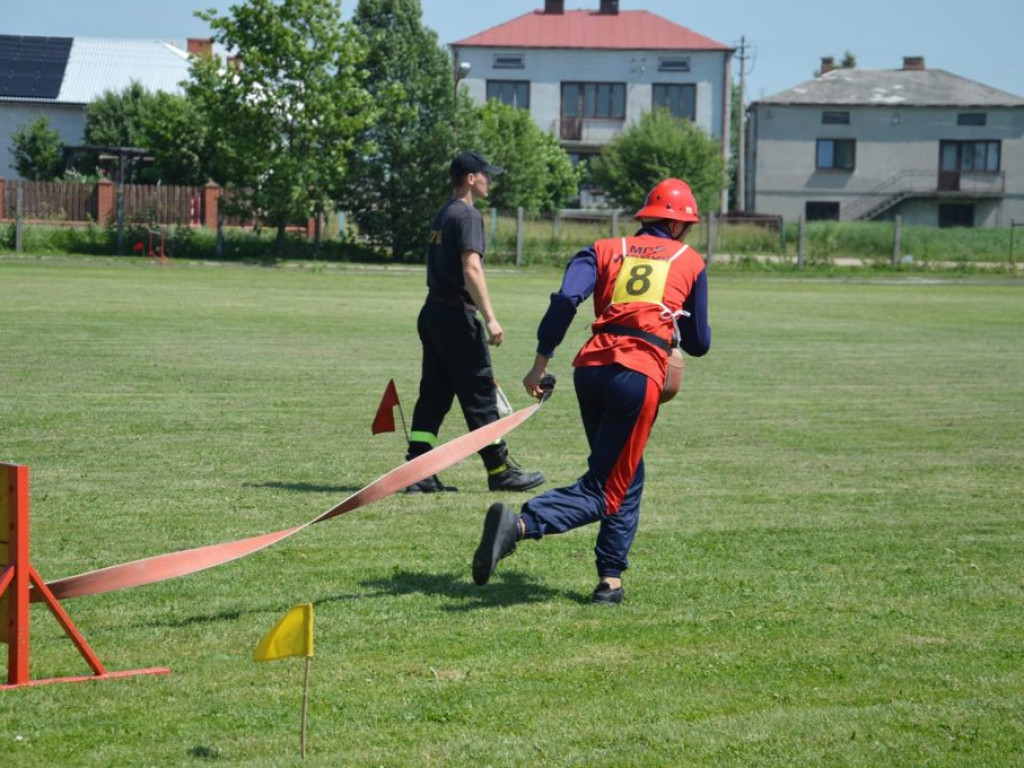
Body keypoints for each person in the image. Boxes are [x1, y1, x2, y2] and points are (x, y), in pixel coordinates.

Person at [471, 178, 711, 604]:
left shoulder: (603, 249)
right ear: (678, 227)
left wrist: (540, 363)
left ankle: (610, 580)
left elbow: (566, 300)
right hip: (637, 375)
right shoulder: (688, 259)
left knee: (625, 472)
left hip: (592, 367)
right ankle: (521, 525)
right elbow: (699, 342)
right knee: (606, 487)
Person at [405, 150, 545, 494]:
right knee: (480, 393)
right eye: (485, 174)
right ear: (471, 178)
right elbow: (471, 268)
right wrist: (491, 317)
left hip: (433, 313)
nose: (489, 180)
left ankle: (417, 471)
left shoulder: (443, 213)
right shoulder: (467, 216)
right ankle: (499, 470)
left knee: (434, 394)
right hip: (455, 317)